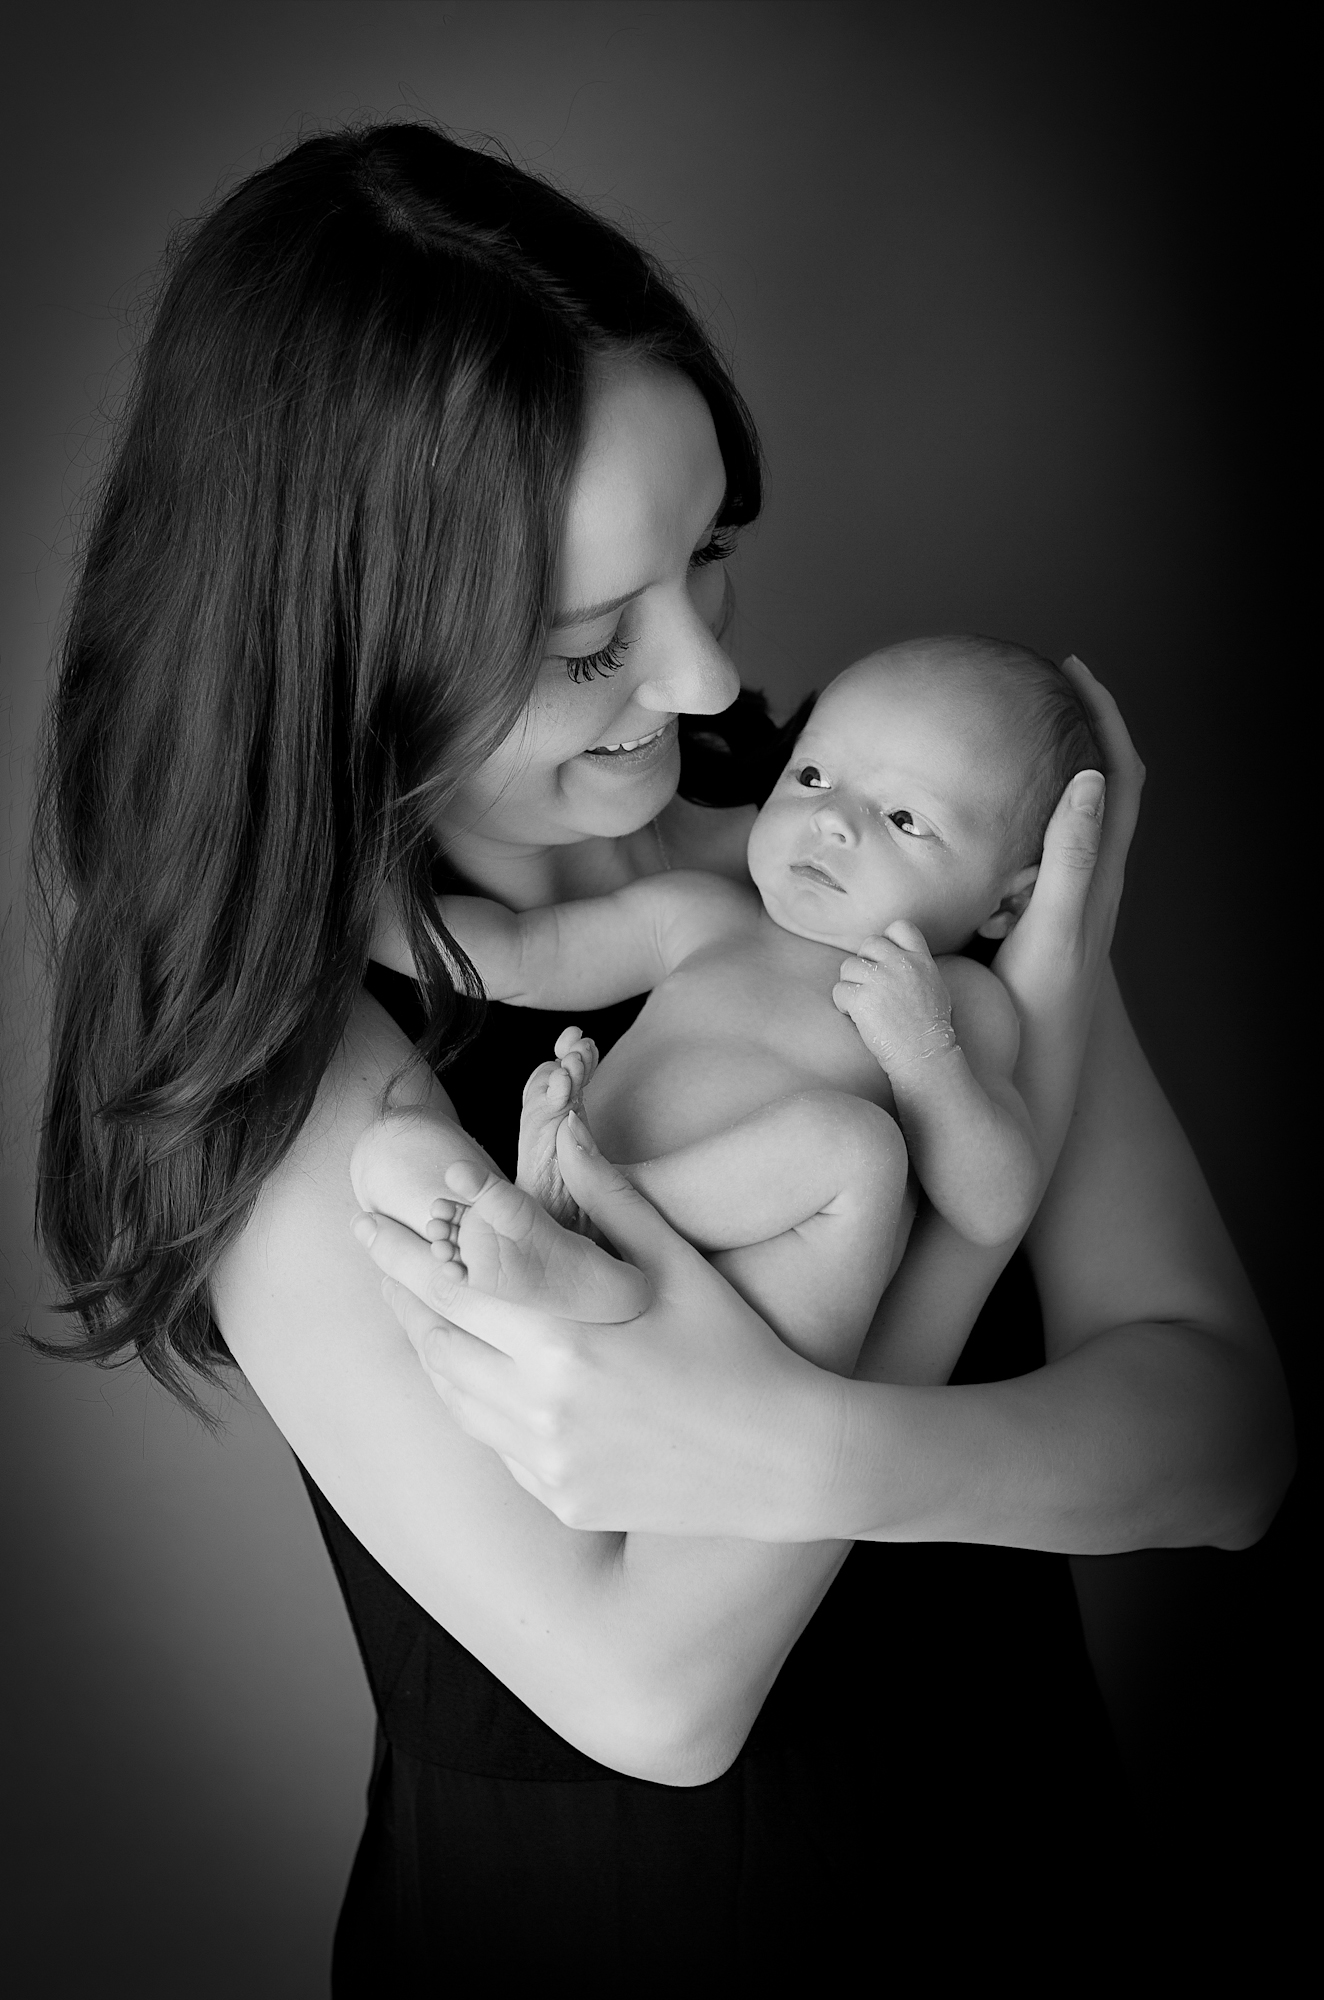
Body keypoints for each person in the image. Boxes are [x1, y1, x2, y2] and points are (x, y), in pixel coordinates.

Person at [32, 122, 1292, 1989]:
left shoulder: (882, 831)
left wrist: (813, 1447)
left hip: (1027, 1875)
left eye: (708, 557)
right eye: (584, 646)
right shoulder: (284, 1063)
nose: (706, 684)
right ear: (349, 649)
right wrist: (960, 1212)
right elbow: (660, 1693)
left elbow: (1224, 1445)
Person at [354, 634, 1102, 1383]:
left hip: (752, 1333)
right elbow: (521, 954)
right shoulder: (702, 915)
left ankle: (586, 1208)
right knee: (388, 1147)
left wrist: (924, 1053)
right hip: (568, 1277)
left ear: (1008, 905)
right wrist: (345, 900)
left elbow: (991, 1208)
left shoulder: (957, 999)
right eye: (813, 776)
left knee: (855, 1144)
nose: (832, 819)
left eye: (905, 819)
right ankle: (563, 1251)